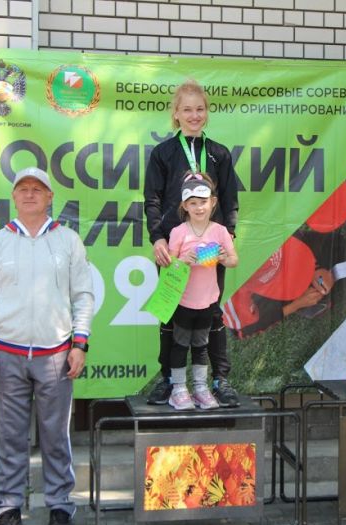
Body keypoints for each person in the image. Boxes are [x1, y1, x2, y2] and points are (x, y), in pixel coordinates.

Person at [0, 167, 93, 525]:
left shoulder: (68, 240)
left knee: (56, 437)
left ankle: (60, 506)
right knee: (10, 437)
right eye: (22, 189)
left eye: (36, 189)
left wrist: (80, 343)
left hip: (56, 356)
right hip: (6, 356)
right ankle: (8, 507)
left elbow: (83, 296)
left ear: (49, 197)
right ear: (13, 197)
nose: (29, 194)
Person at [144, 79, 240, 407]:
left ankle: (219, 379)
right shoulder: (163, 153)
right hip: (175, 249)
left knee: (210, 311)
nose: (194, 115)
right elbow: (152, 199)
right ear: (176, 114)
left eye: (199, 109)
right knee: (171, 312)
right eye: (187, 110)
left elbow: (230, 199)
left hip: (211, 245)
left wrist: (228, 237)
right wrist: (157, 237)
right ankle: (169, 381)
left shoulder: (219, 153)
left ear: (207, 113)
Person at [166, 174, 239, 410]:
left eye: (203, 202)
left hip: (208, 301)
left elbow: (234, 260)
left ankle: (200, 388)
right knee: (180, 344)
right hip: (183, 301)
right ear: (185, 206)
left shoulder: (220, 231)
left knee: (201, 345)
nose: (199, 208)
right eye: (193, 203)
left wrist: (223, 258)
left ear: (213, 202)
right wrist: (182, 261)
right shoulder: (178, 232)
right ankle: (178, 390)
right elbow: (169, 266)